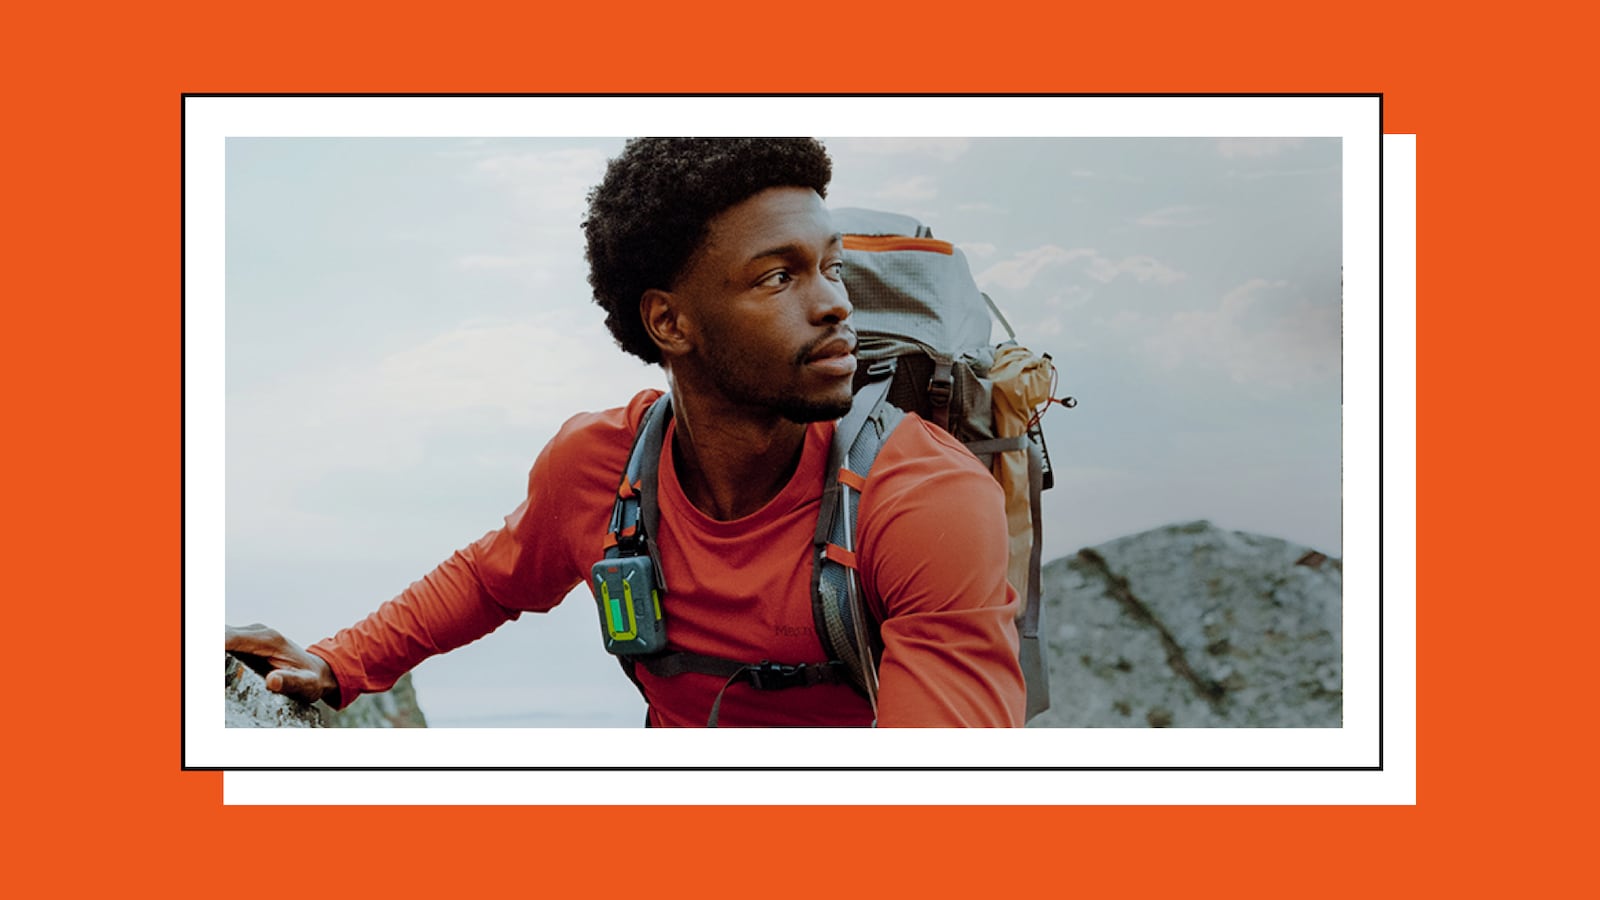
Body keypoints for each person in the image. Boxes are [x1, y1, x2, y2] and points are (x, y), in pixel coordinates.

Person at [226, 137, 1025, 727]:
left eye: (833, 266)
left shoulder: (924, 498)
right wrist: (337, 662)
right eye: (780, 276)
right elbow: (490, 579)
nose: (836, 305)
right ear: (669, 321)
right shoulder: (599, 468)